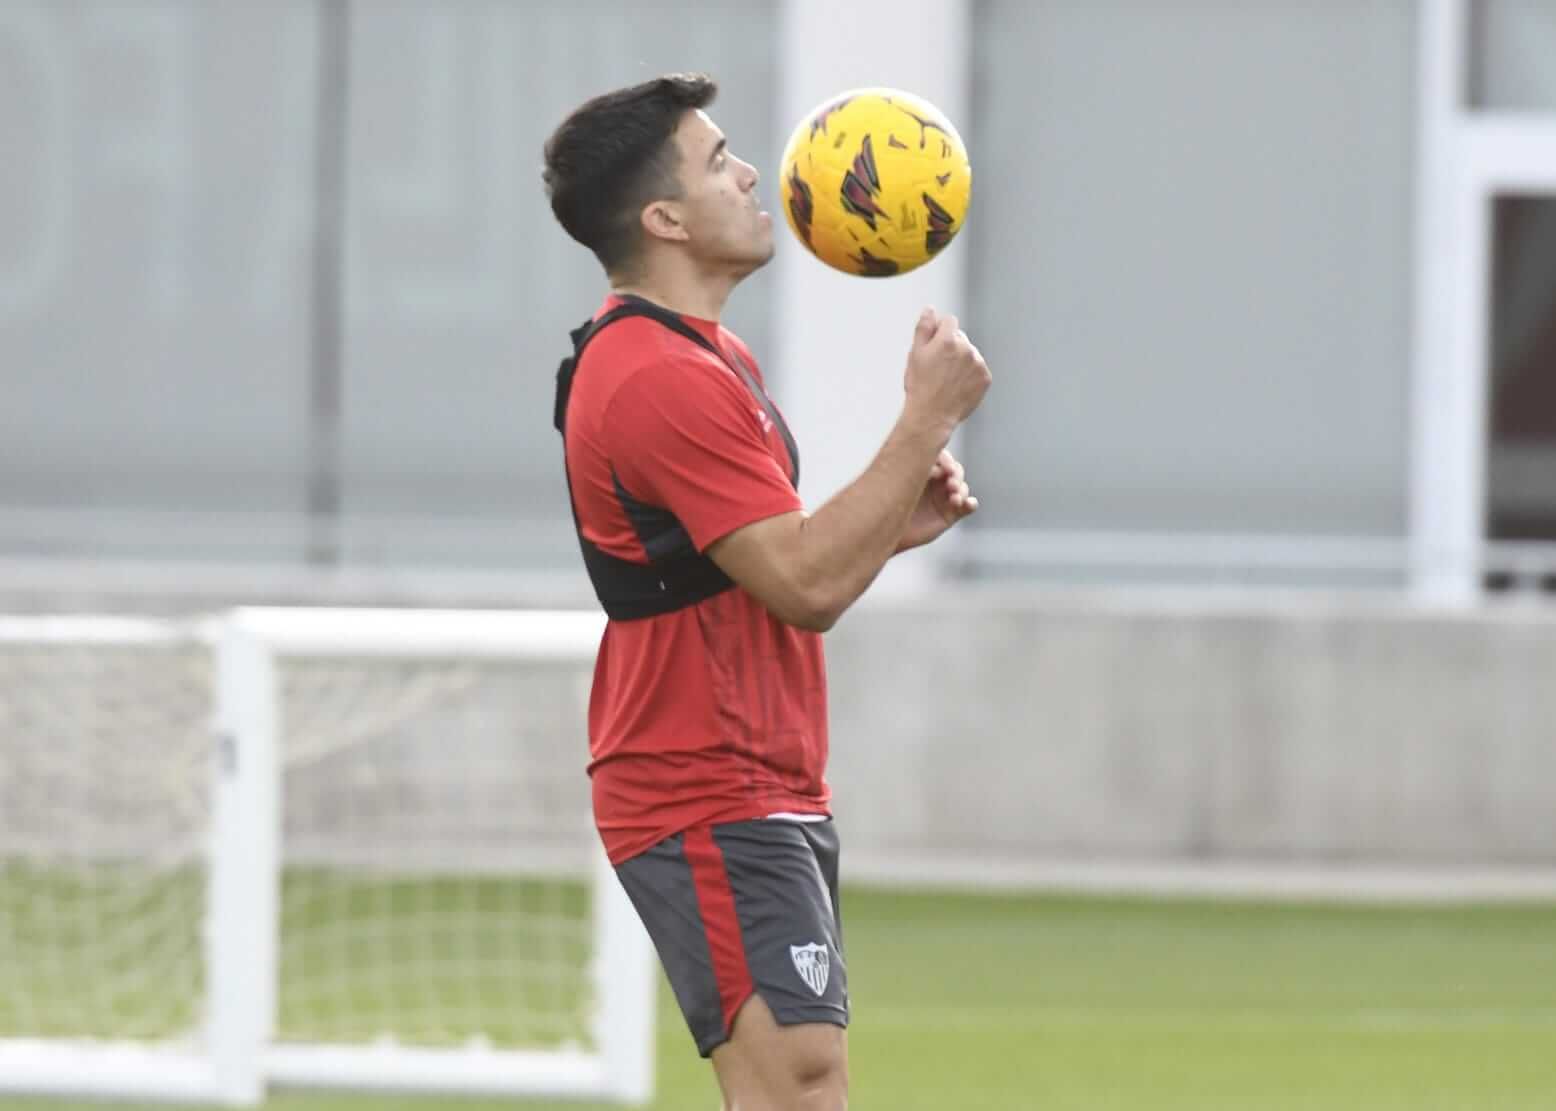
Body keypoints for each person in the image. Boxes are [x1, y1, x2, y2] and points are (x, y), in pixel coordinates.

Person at [543, 73, 990, 1110]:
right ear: (663, 218)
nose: (752, 174)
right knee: (797, 1085)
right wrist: (921, 419)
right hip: (701, 779)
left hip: (756, 770)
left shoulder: (708, 356)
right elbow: (801, 583)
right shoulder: (657, 374)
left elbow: (768, 565)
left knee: (794, 1085)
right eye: (717, 161)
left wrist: (887, 524)